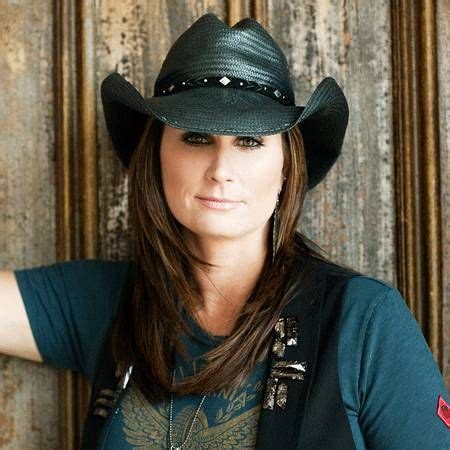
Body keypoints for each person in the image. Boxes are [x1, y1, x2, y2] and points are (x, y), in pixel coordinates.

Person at [1, 12, 449, 450]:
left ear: (287, 167)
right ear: (156, 156)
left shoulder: (361, 320)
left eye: (250, 141)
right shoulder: (107, 301)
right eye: (196, 137)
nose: (221, 170)